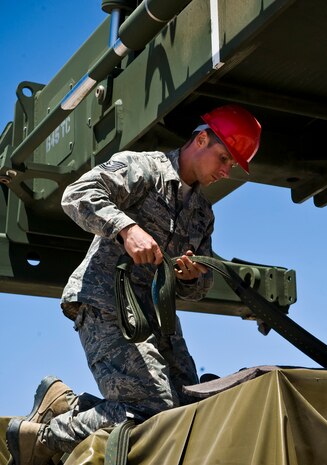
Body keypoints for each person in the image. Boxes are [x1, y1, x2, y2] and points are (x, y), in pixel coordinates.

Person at [6, 104, 261, 465]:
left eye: (231, 165)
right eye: (223, 158)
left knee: (188, 405)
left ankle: (67, 406)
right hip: (106, 303)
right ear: (201, 139)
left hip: (156, 321)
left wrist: (190, 278)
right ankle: (42, 438)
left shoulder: (203, 214)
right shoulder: (144, 169)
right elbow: (77, 194)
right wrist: (127, 229)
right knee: (155, 406)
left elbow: (197, 289)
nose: (225, 170)